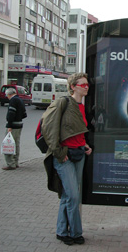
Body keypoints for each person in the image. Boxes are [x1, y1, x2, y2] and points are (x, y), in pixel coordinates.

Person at [42, 73, 92, 246]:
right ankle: (76, 233)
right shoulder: (63, 103)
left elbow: (76, 131)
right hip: (64, 156)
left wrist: (85, 144)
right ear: (73, 86)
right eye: (82, 84)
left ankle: (62, 231)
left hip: (79, 154)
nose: (86, 87)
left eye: (87, 84)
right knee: (73, 195)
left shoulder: (82, 106)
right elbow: (48, 128)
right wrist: (58, 153)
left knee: (68, 195)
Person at [2, 88, 27, 170]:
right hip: (19, 124)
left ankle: (10, 163)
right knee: (16, 144)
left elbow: (11, 113)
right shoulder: (20, 100)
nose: (7, 97)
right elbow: (24, 114)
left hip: (13, 125)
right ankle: (16, 162)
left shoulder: (13, 101)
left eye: (7, 95)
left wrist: (9, 125)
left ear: (9, 94)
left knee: (8, 144)